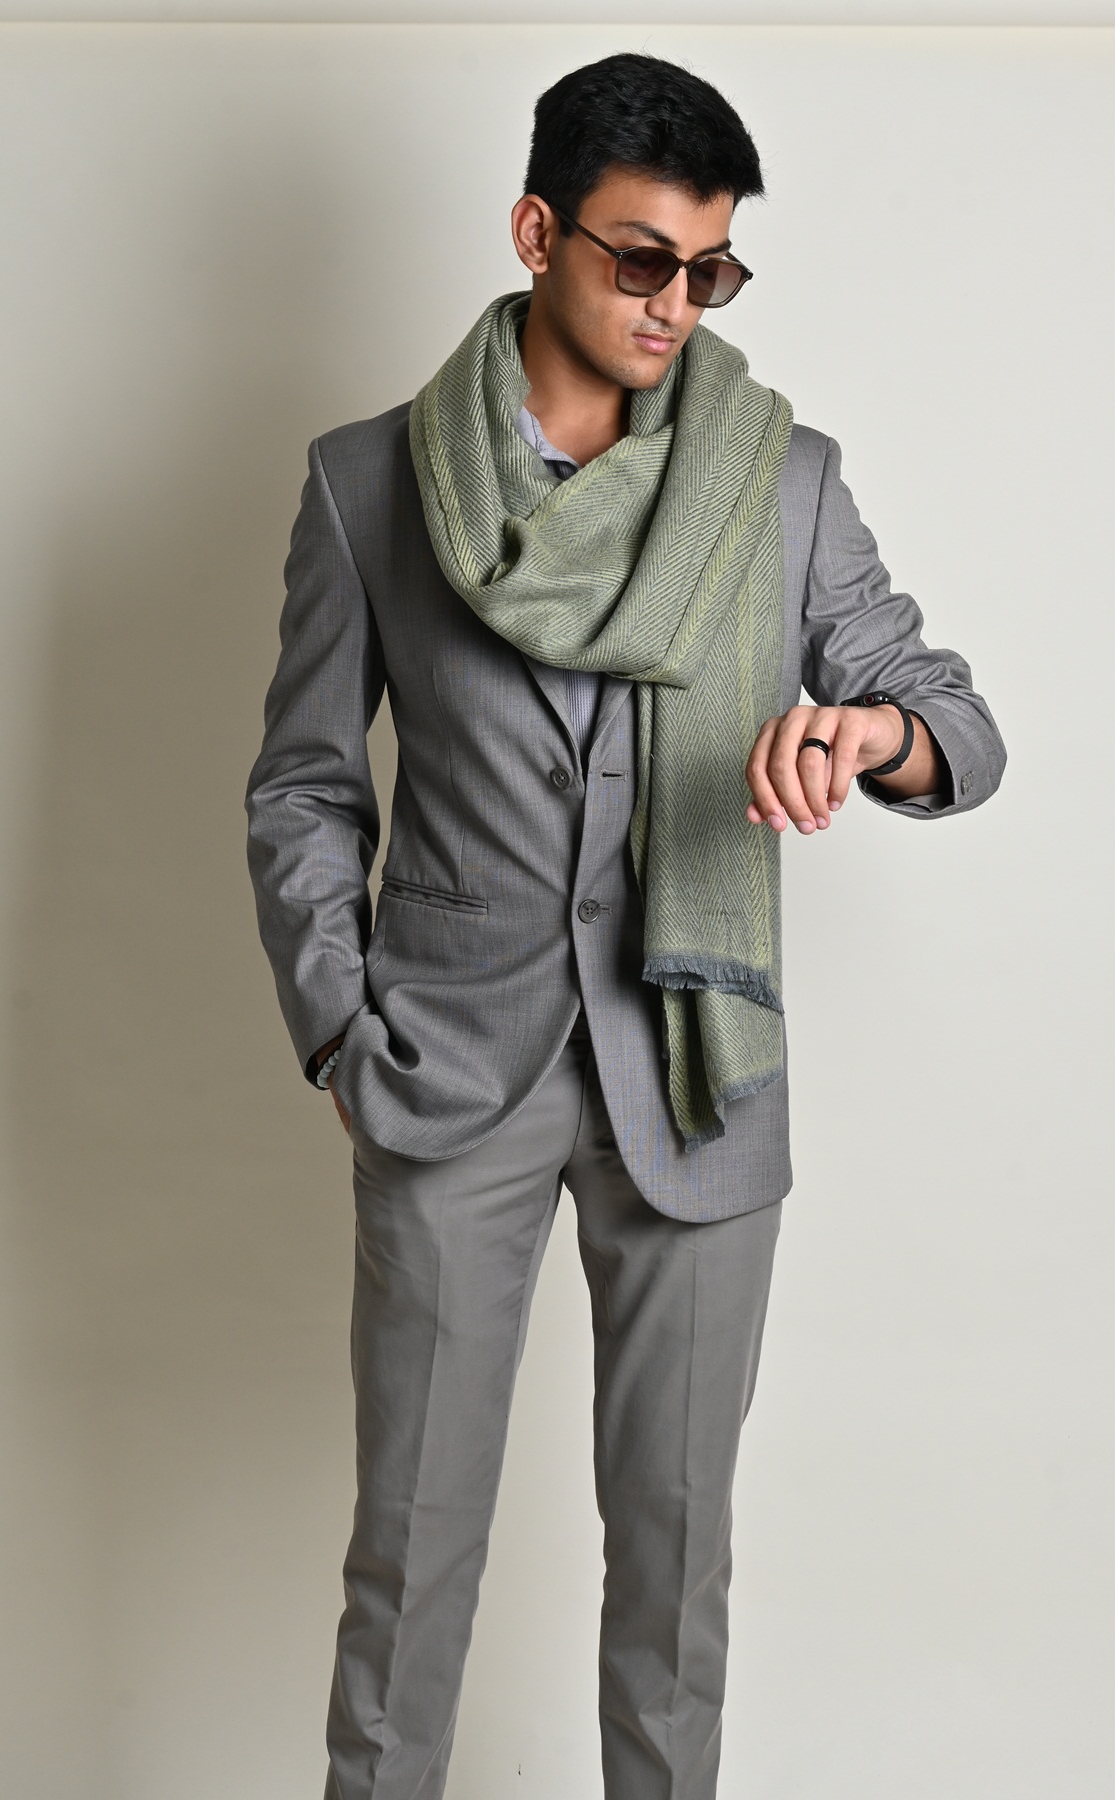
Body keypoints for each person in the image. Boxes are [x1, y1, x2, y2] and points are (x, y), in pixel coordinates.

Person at [245, 51, 1005, 1800]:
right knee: (409, 1559)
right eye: (643, 260)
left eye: (711, 270)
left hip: (700, 1074)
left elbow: (955, 724)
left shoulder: (779, 481)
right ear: (538, 234)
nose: (677, 304)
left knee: (674, 1577)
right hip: (448, 1072)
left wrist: (867, 733)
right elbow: (303, 783)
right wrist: (342, 1028)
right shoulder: (372, 485)